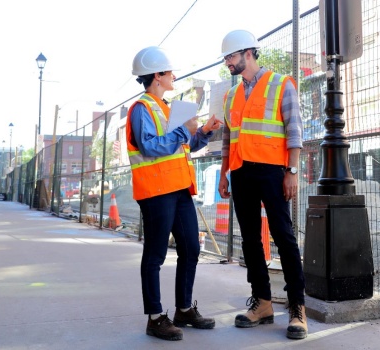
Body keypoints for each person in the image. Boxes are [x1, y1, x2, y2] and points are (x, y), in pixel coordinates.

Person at [127, 46, 223, 341]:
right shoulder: (142, 108)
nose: (174, 76)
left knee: (191, 249)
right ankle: (155, 318)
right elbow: (149, 146)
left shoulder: (167, 107)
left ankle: (183, 309)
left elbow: (182, 147)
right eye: (169, 72)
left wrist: (203, 132)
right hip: (156, 190)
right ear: (157, 76)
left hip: (179, 188)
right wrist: (184, 131)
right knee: (155, 254)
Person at [217, 29, 308, 340]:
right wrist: (223, 173)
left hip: (272, 170)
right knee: (250, 241)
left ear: (248, 53)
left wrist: (292, 171)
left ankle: (297, 308)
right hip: (241, 172)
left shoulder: (281, 84)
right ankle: (263, 303)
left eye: (230, 56)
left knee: (284, 236)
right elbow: (229, 139)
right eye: (226, 57)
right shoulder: (230, 95)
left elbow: (294, 130)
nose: (227, 62)